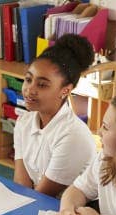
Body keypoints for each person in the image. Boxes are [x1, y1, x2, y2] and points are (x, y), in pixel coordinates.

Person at [13, 34, 96, 197]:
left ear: (65, 90)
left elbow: (42, 196)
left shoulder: (73, 136)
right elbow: (21, 186)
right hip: (38, 203)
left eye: (42, 85)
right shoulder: (24, 121)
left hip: (71, 213)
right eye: (28, 79)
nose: (30, 89)